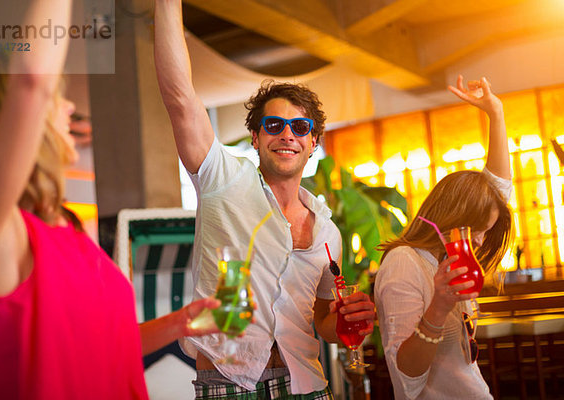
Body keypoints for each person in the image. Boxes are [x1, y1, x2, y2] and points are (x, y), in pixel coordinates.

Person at [0, 2, 222, 399]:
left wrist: (182, 322)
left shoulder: (68, 228)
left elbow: (109, 345)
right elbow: (33, 80)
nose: (69, 107)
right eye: (56, 99)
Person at [154, 1, 376, 398]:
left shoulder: (328, 232)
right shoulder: (224, 179)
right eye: (273, 125)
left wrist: (348, 322)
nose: (287, 135)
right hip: (228, 384)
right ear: (255, 139)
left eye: (299, 127)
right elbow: (180, 98)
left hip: (307, 385)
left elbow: (322, 320)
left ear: (312, 143)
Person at [374, 75, 513, 399]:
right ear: (452, 219)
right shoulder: (403, 264)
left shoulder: (446, 261)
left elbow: (497, 193)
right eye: (475, 230)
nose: (479, 242)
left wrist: (496, 112)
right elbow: (406, 378)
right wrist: (438, 308)